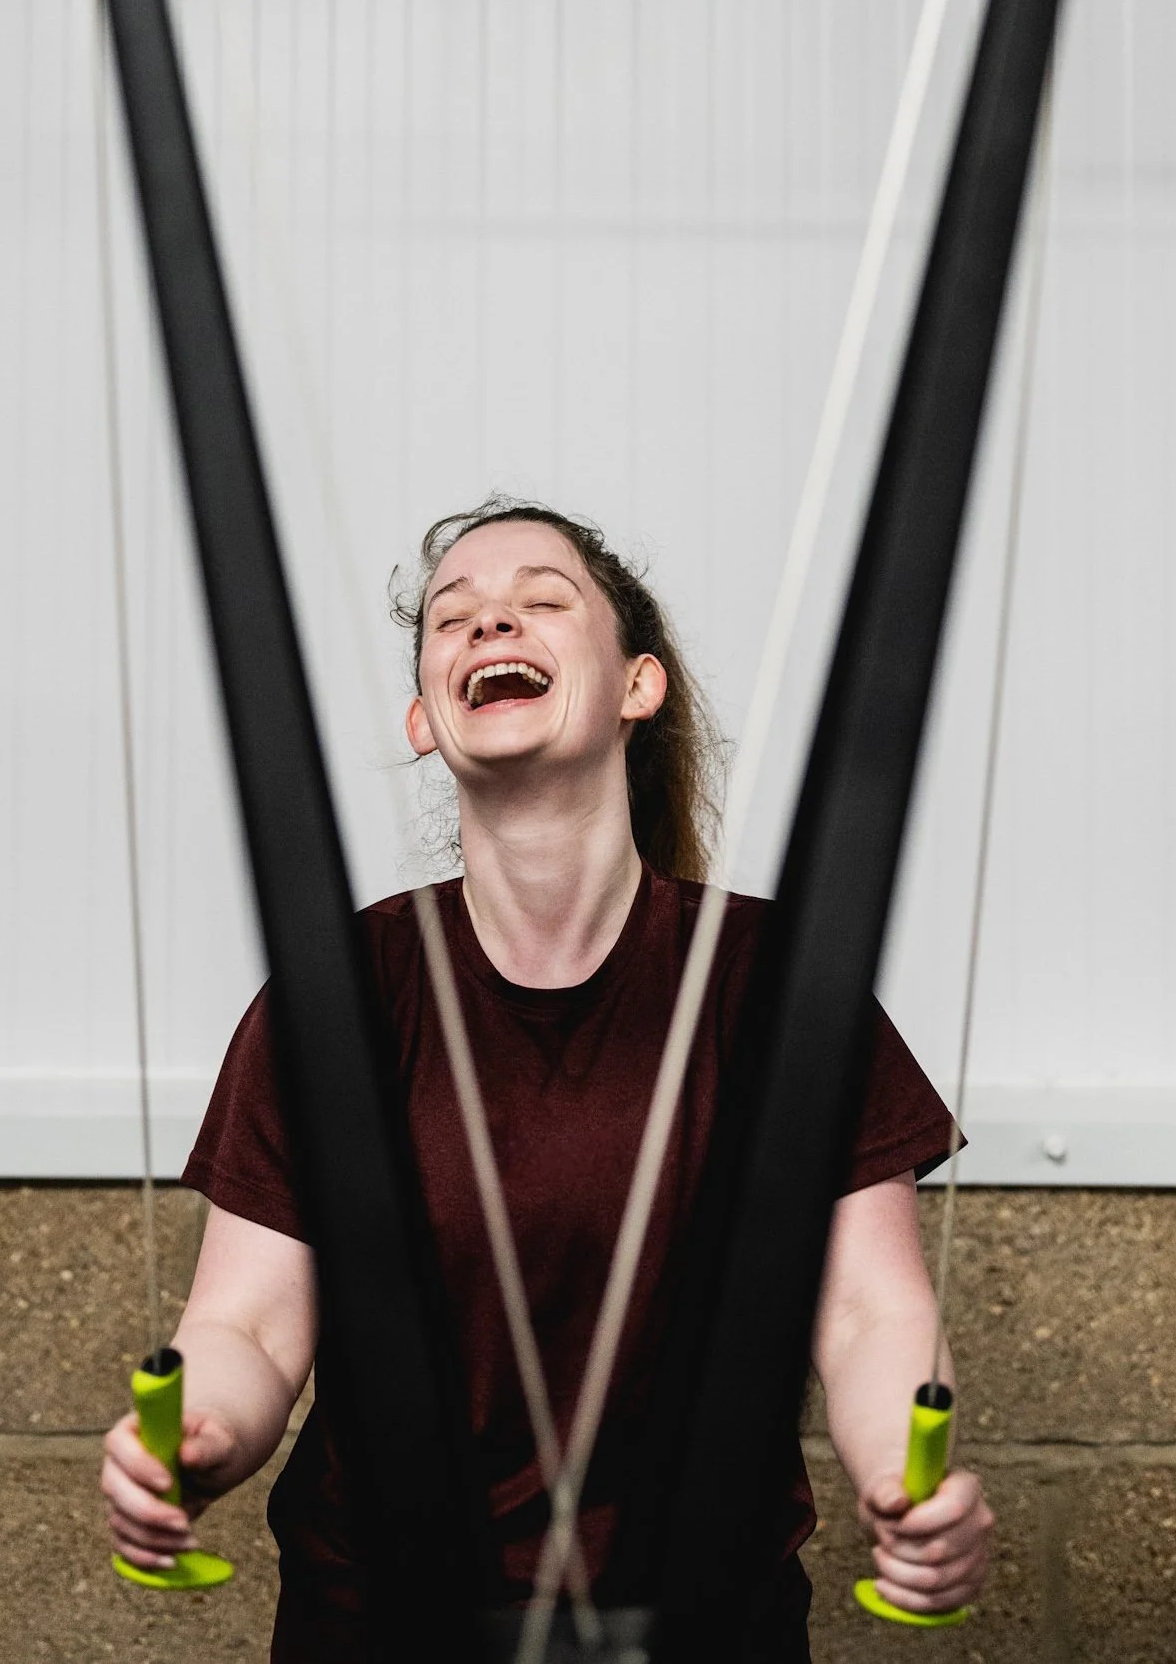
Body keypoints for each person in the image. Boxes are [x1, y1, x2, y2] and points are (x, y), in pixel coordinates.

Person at [99, 499, 994, 1658]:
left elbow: (871, 1310)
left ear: (638, 684)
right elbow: (249, 1325)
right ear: (426, 717)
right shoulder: (334, 995)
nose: (489, 621)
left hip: (704, 1629)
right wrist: (193, 1433)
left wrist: (903, 1487)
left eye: (541, 598)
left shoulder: (781, 985)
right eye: (450, 617)